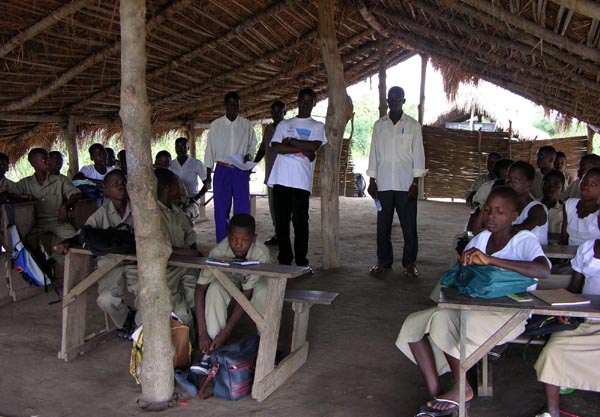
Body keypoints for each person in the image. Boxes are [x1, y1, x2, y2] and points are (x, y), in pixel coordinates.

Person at [397, 187, 550, 416]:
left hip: (510, 314)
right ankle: (438, 395)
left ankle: (461, 389)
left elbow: (543, 270)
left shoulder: (524, 240)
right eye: (487, 210)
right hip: (474, 306)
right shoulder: (481, 239)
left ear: (514, 217)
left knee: (448, 326)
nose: (491, 216)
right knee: (414, 324)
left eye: (499, 212)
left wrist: (491, 261)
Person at [533, 238, 600, 417]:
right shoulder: (588, 247)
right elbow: (574, 287)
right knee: (554, 351)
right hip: (585, 320)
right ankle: (552, 411)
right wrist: (566, 308)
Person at [367, 86, 427, 277]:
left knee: (409, 227)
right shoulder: (379, 125)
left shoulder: (413, 125)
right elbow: (373, 154)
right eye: (391, 99)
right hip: (383, 183)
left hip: (406, 184)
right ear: (387, 101)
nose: (394, 102)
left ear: (403, 101)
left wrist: (415, 183)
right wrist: (372, 180)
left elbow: (418, 155)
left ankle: (409, 263)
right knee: (382, 227)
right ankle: (384, 262)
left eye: (397, 98)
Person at [194, 213, 270, 352]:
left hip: (255, 283)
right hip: (231, 277)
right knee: (215, 288)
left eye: (245, 240)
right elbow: (200, 289)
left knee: (263, 290)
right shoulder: (218, 252)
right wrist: (202, 332)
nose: (238, 244)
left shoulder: (261, 254)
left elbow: (247, 292)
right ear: (227, 235)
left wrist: (226, 332)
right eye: (233, 238)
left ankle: (265, 343)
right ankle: (212, 348)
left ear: (253, 238)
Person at [268, 88, 326, 267]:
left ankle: (302, 261)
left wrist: (291, 142)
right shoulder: (284, 125)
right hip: (281, 179)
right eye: (303, 101)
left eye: (310, 101)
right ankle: (285, 258)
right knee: (282, 222)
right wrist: (304, 149)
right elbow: (276, 147)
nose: (306, 104)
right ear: (298, 102)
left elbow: (314, 147)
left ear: (314, 103)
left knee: (301, 223)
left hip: (301, 182)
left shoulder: (318, 126)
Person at [86, 170, 138, 337]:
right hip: (111, 263)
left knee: (147, 292)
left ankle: (140, 326)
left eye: (123, 183)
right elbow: (86, 234)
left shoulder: (138, 210)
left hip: (136, 261)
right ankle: (125, 319)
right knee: (106, 299)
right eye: (115, 185)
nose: (121, 187)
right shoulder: (101, 213)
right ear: (107, 191)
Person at [204, 91, 257, 243]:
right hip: (222, 170)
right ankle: (222, 243)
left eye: (236, 104)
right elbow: (209, 151)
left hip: (240, 171)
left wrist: (249, 155)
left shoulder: (246, 125)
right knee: (221, 210)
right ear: (225, 104)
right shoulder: (216, 125)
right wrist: (208, 175)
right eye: (230, 103)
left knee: (242, 209)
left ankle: (242, 243)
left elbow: (252, 145)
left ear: (240, 105)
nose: (233, 106)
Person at [155, 168, 202, 327]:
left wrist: (194, 257)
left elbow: (190, 238)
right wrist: (190, 253)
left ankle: (198, 334)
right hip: (166, 270)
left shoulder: (178, 212)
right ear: (168, 188)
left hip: (186, 266)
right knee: (182, 312)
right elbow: (158, 247)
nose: (182, 187)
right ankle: (189, 337)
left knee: (197, 299)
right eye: (177, 184)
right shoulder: (153, 215)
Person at [14, 148, 82, 254]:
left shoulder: (59, 180)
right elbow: (10, 194)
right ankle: (41, 263)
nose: (48, 162)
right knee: (26, 243)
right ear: (33, 164)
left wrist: (65, 206)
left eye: (48, 158)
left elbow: (76, 193)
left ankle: (73, 262)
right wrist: (22, 196)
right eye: (44, 159)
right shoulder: (24, 183)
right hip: (35, 223)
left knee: (75, 239)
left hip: (57, 220)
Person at [254, 100, 286, 245]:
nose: (276, 114)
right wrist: (253, 164)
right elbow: (263, 148)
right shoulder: (268, 129)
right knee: (273, 207)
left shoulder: (289, 127)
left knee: (284, 208)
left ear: (285, 112)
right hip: (271, 175)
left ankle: (284, 236)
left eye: (280, 111)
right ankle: (277, 234)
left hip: (285, 176)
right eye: (273, 111)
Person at [168, 137, 208, 220]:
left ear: (188, 148)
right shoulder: (171, 165)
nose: (181, 149)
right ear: (175, 148)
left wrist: (195, 198)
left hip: (192, 199)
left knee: (185, 216)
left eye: (184, 147)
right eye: (178, 147)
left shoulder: (196, 163)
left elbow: (207, 184)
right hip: (175, 200)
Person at [561, 167, 600, 246]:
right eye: (584, 181)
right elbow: (564, 238)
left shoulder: (598, 214)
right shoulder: (569, 205)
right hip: (568, 252)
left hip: (591, 254)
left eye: (593, 184)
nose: (585, 186)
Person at [541, 170, 566, 236]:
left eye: (556, 184)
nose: (551, 187)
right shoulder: (532, 206)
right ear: (541, 185)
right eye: (547, 183)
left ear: (562, 189)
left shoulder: (565, 212)